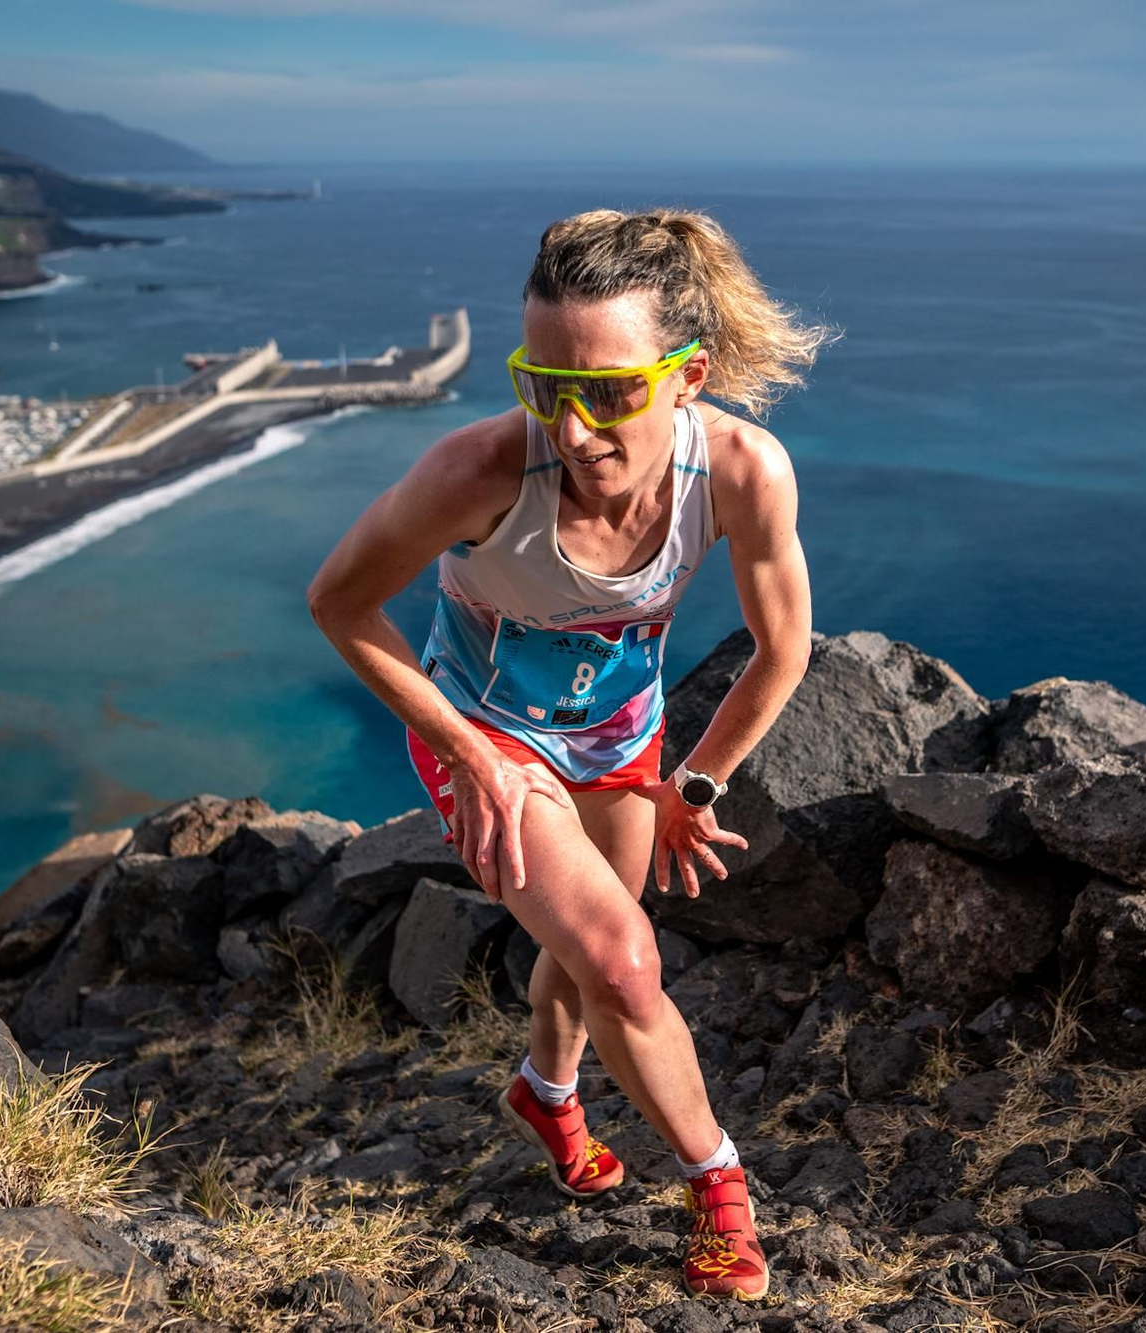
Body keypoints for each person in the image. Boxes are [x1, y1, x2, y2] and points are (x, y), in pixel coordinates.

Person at [308, 208, 828, 1301]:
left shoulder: (741, 472)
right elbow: (340, 602)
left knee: (590, 951)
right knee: (625, 958)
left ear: (685, 377)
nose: (574, 425)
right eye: (542, 381)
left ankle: (546, 1090)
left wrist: (692, 784)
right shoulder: (479, 472)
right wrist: (470, 754)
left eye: (608, 390)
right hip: (481, 733)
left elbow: (783, 650)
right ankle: (718, 1192)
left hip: (619, 737)